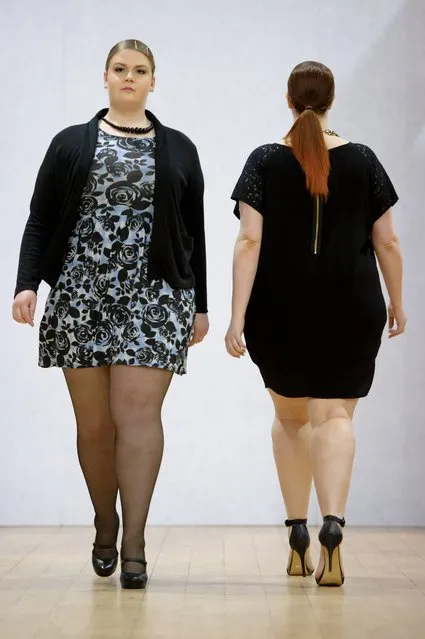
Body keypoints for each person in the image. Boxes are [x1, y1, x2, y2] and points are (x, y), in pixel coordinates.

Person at [12, 39, 209, 589]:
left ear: (153, 81)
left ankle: (136, 544)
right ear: (104, 77)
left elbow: (193, 231)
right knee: (95, 425)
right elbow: (40, 220)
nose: (129, 77)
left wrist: (200, 303)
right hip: (80, 294)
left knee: (140, 419)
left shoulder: (180, 149)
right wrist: (27, 285)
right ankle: (105, 521)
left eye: (140, 70)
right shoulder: (72, 143)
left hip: (156, 298)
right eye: (120, 69)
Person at [225, 61, 406, 586]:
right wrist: (397, 302)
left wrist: (237, 317)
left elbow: (249, 241)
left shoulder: (263, 160)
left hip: (280, 309)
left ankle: (296, 533)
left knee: (291, 420)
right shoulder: (364, 159)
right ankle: (333, 528)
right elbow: (387, 242)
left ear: (288, 100)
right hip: (351, 306)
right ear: (331, 101)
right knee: (335, 420)